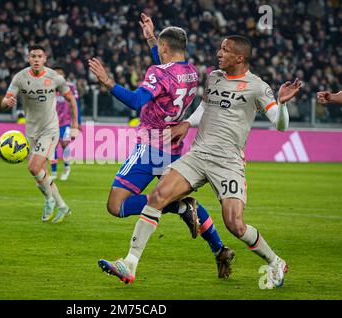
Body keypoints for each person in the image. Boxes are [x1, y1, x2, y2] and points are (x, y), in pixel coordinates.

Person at [98, 35, 301, 287]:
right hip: (197, 154)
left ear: (239, 57)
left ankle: (275, 261)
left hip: (227, 162)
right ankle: (129, 263)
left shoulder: (257, 87)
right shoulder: (214, 77)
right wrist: (186, 123)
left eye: (225, 50)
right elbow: (204, 109)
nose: (219, 53)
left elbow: (280, 125)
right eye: (220, 48)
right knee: (158, 196)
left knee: (235, 225)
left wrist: (281, 103)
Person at [88, 14, 234, 283]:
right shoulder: (190, 72)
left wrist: (108, 82)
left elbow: (136, 100)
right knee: (171, 195)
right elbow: (168, 72)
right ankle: (218, 247)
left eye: (159, 48)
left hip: (151, 147)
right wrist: (151, 39)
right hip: (174, 148)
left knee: (116, 206)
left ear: (165, 49)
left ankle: (178, 208)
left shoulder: (158, 72)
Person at [1, 45, 79, 224]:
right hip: (31, 132)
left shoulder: (55, 78)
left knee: (33, 167)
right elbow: (5, 101)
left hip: (50, 130)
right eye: (33, 56)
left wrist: (75, 123)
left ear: (45, 59)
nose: (36, 59)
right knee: (41, 174)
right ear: (29, 58)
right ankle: (62, 206)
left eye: (39, 56)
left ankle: (49, 200)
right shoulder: (20, 77)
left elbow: (71, 99)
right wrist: (8, 102)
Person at [50, 65, 82, 181]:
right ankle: (53, 171)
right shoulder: (49, 87)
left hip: (66, 122)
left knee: (64, 144)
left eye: (60, 73)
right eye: (56, 73)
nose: (58, 75)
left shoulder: (71, 87)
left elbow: (76, 106)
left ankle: (66, 167)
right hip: (52, 122)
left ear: (64, 75)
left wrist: (77, 123)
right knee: (52, 146)